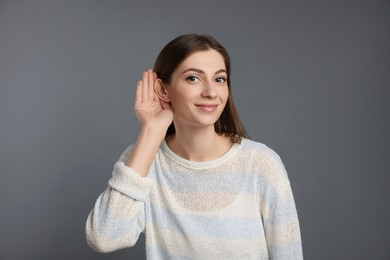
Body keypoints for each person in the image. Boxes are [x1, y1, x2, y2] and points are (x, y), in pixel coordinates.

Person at [85, 34, 303, 259]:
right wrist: (151, 132)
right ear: (162, 90)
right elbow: (104, 238)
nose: (210, 92)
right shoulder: (143, 159)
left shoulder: (261, 164)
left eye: (219, 79)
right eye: (193, 78)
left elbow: (289, 254)